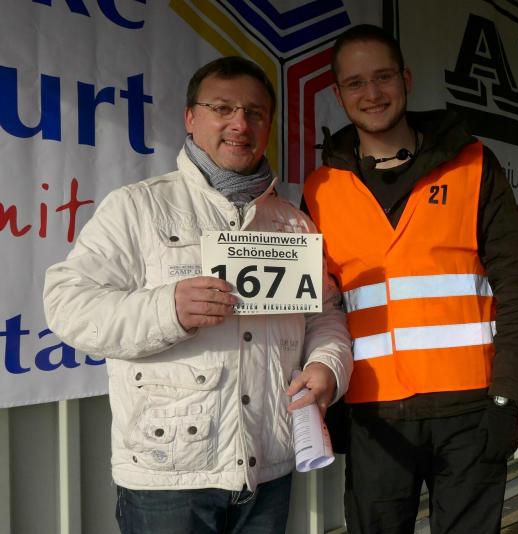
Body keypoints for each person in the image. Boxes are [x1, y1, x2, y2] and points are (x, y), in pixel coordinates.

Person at [43, 56, 352, 534]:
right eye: (222, 108)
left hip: (269, 470)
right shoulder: (138, 207)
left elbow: (326, 316)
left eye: (254, 113)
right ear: (190, 117)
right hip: (169, 475)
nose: (240, 124)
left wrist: (327, 366)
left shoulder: (293, 223)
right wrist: (167, 309)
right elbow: (67, 303)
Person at [302, 24, 518, 534]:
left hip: (471, 410)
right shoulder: (320, 189)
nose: (372, 93)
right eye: (356, 83)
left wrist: (508, 396)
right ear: (339, 94)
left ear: (406, 79)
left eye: (383, 77)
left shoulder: (472, 165)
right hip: (373, 416)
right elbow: (317, 305)